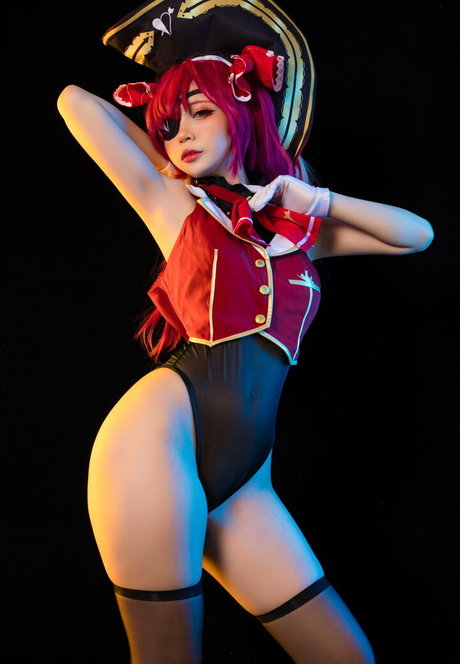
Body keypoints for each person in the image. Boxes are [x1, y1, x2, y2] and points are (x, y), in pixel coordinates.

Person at [57, 2, 433, 662]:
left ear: (243, 110)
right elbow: (73, 103)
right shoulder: (176, 205)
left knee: (347, 657)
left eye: (200, 112)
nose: (181, 134)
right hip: (158, 439)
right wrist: (177, 92)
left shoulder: (300, 237)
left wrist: (313, 200)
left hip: (247, 480)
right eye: (169, 125)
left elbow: (416, 236)